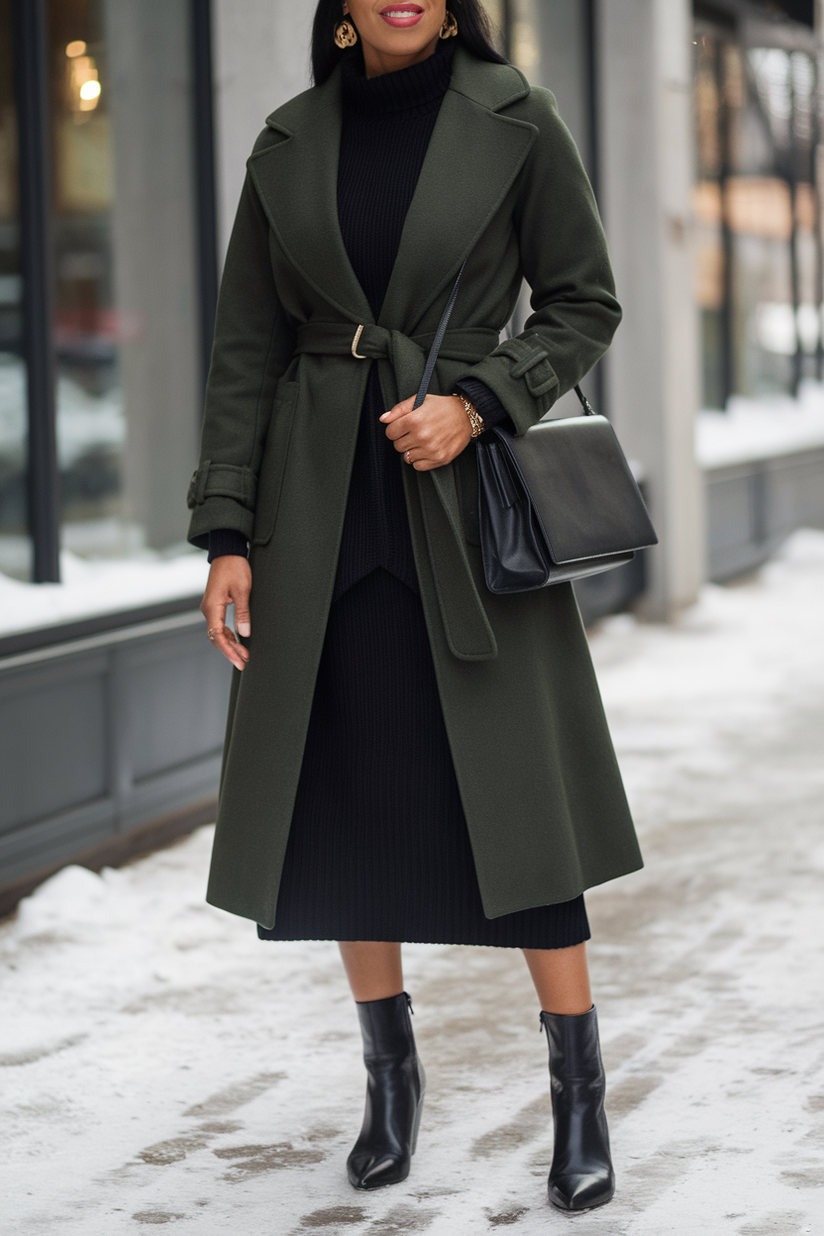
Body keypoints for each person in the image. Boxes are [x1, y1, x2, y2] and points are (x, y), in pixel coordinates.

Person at [188, 0, 642, 1213]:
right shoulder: (287, 141)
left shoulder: (516, 118)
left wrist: (482, 399)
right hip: (316, 524)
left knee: (522, 821)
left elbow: (582, 300)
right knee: (342, 816)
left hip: (464, 519)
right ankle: (390, 1084)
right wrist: (227, 531)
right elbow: (243, 347)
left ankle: (577, 1097)